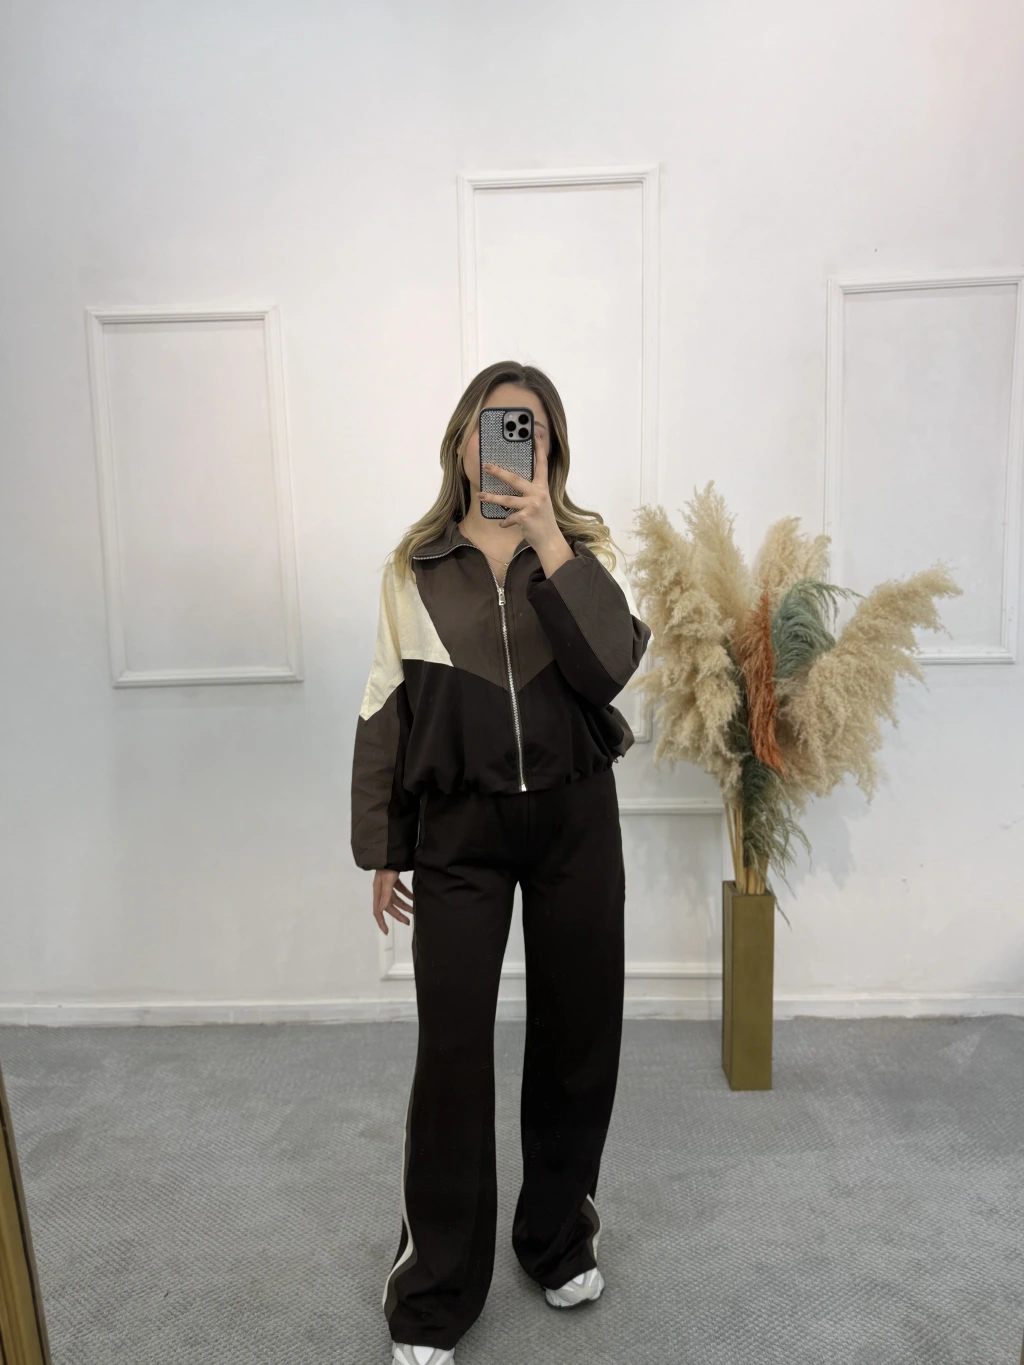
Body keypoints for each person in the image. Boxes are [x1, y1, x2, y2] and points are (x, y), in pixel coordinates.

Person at [350, 361, 653, 1365]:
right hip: (459, 832)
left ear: (551, 449)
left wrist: (549, 540)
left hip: (574, 820)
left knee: (577, 1035)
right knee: (450, 1053)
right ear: (462, 444)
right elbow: (386, 704)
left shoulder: (582, 553)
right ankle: (435, 1287)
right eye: (493, 426)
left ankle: (556, 1238)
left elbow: (611, 667)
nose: (508, 445)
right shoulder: (415, 568)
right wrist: (384, 845)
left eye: (529, 428)